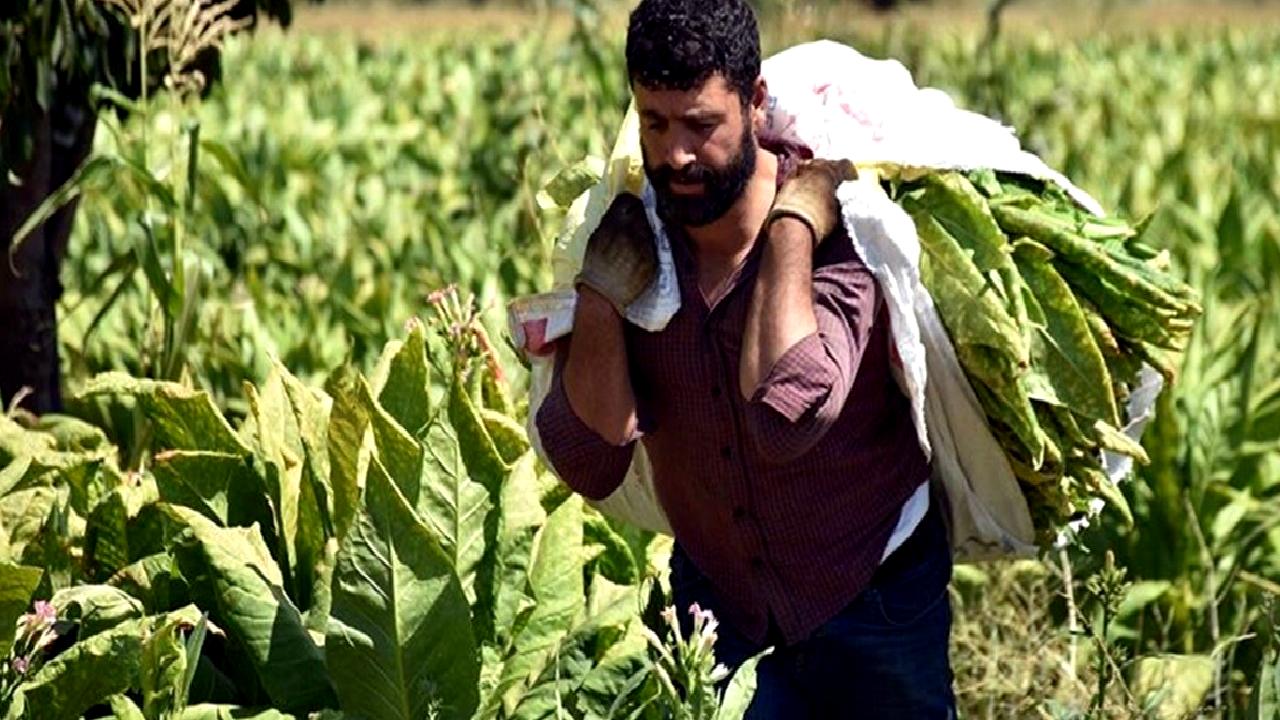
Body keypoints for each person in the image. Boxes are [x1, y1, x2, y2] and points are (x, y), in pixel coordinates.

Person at [534, 0, 955, 716]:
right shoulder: (635, 240)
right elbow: (589, 459)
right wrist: (602, 301)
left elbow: (786, 414)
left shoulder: (846, 224)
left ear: (754, 103)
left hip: (873, 600)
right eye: (654, 123)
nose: (676, 155)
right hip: (718, 613)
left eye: (702, 125)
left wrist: (792, 228)